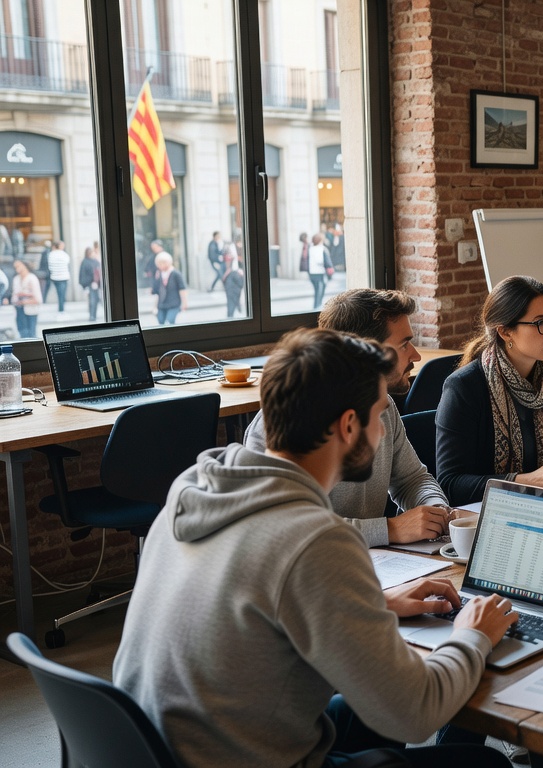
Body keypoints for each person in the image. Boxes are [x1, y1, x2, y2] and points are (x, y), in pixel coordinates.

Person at [113, 328, 516, 768]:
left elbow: (256, 598)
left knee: (365, 713)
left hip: (161, 747)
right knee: (485, 765)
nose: (383, 432)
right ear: (348, 425)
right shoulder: (315, 539)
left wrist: (373, 604)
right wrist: (473, 635)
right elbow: (416, 714)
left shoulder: (194, 488)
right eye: (380, 415)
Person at [245, 289, 452, 547]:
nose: (416, 355)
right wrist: (389, 529)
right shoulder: (280, 423)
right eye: (403, 344)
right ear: (363, 353)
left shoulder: (384, 406)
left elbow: (412, 480)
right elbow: (287, 528)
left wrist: (438, 513)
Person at [436, 276, 543, 504]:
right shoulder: (465, 387)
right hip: (493, 513)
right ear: (505, 332)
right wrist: (524, 482)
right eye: (541, 323)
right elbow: (450, 484)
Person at [151, 252, 187, 325]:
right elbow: (157, 292)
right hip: (161, 304)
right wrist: (154, 306)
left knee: (170, 322)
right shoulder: (159, 274)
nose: (161, 265)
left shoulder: (176, 274)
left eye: (163, 263)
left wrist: (184, 303)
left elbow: (182, 289)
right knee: (161, 322)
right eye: (159, 264)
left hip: (173, 304)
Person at [10, 259, 40, 338]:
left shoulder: (32, 278)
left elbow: (38, 299)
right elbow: (14, 295)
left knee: (31, 334)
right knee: (22, 332)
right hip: (19, 310)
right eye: (15, 267)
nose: (17, 268)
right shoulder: (16, 279)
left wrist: (24, 299)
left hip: (31, 310)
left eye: (19, 266)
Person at [78, 244, 102, 322]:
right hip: (89, 284)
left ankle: (94, 315)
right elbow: (83, 274)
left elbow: (98, 272)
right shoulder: (85, 262)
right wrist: (85, 285)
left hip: (96, 284)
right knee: (92, 300)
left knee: (96, 300)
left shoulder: (95, 261)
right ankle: (92, 316)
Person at [307, 232, 331, 309]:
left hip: (311, 272)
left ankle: (317, 305)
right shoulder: (321, 248)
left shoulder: (310, 248)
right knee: (319, 290)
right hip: (318, 272)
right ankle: (317, 307)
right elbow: (320, 260)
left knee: (317, 290)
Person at [46, 240, 71, 315]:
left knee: (59, 293)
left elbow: (50, 266)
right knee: (62, 294)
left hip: (54, 277)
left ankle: (61, 309)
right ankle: (61, 310)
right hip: (63, 277)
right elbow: (67, 263)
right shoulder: (64, 254)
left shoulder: (51, 254)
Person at [222, 244, 245, 318]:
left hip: (232, 283)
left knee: (232, 302)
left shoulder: (230, 271)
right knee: (233, 302)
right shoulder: (232, 272)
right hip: (232, 283)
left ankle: (232, 315)